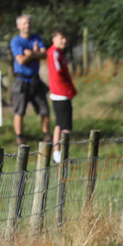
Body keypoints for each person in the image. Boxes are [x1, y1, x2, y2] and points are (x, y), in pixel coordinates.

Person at [10, 14, 51, 146]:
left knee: (44, 109)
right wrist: (35, 54)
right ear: (18, 26)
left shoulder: (36, 38)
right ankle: (20, 137)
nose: (27, 25)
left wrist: (31, 54)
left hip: (35, 80)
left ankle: (47, 135)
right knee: (20, 111)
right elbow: (21, 60)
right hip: (21, 81)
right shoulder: (16, 41)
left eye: (28, 23)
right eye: (24, 23)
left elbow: (45, 54)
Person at [46, 29, 77, 163]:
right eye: (61, 38)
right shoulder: (54, 53)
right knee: (66, 127)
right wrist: (67, 90)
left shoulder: (59, 53)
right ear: (54, 39)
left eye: (65, 38)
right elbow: (58, 74)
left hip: (62, 93)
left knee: (59, 123)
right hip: (61, 94)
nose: (64, 41)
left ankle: (57, 154)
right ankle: (62, 154)